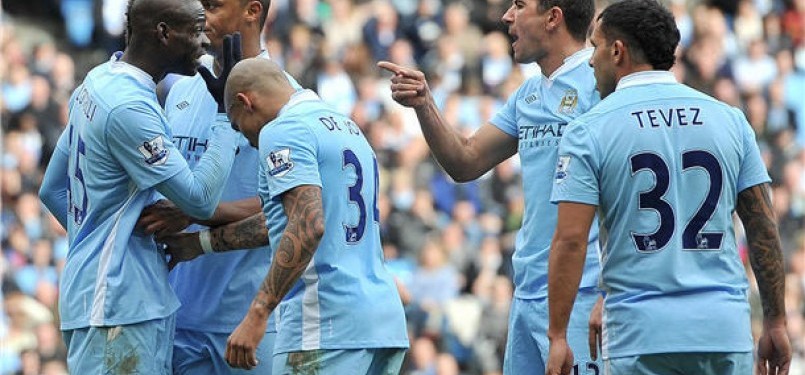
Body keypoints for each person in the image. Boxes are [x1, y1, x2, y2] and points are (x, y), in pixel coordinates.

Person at [545, 1, 792, 374]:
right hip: (722, 330)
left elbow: (570, 241)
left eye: (595, 46)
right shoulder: (730, 120)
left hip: (639, 334)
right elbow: (762, 227)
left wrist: (559, 335)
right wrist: (775, 321)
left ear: (617, 51)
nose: (591, 61)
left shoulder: (589, 130)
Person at [378, 0, 602, 373]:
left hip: (584, 292)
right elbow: (465, 161)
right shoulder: (528, 95)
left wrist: (609, 293)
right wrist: (425, 105)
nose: (506, 16)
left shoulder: (602, 85)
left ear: (553, 17)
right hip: (527, 289)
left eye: (519, 5)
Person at [164, 58, 410, 373]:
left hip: (324, 325)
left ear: (245, 102)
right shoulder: (345, 125)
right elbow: (279, 221)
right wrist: (200, 243)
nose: (249, 139)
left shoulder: (283, 129)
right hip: (381, 323)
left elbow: (307, 225)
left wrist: (257, 313)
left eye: (238, 127)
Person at [37, 0, 243, 372]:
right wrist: (225, 117)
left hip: (106, 299)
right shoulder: (129, 107)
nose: (203, 41)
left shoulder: (98, 81)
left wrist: (99, 246)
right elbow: (198, 200)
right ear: (163, 33)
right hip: (120, 308)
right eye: (194, 30)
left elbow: (52, 189)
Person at [134, 0, 302, 373]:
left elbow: (291, 210)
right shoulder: (181, 88)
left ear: (252, 11)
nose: (201, 18)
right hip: (175, 313)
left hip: (246, 325)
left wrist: (196, 212)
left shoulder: (288, 101)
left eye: (213, 6)